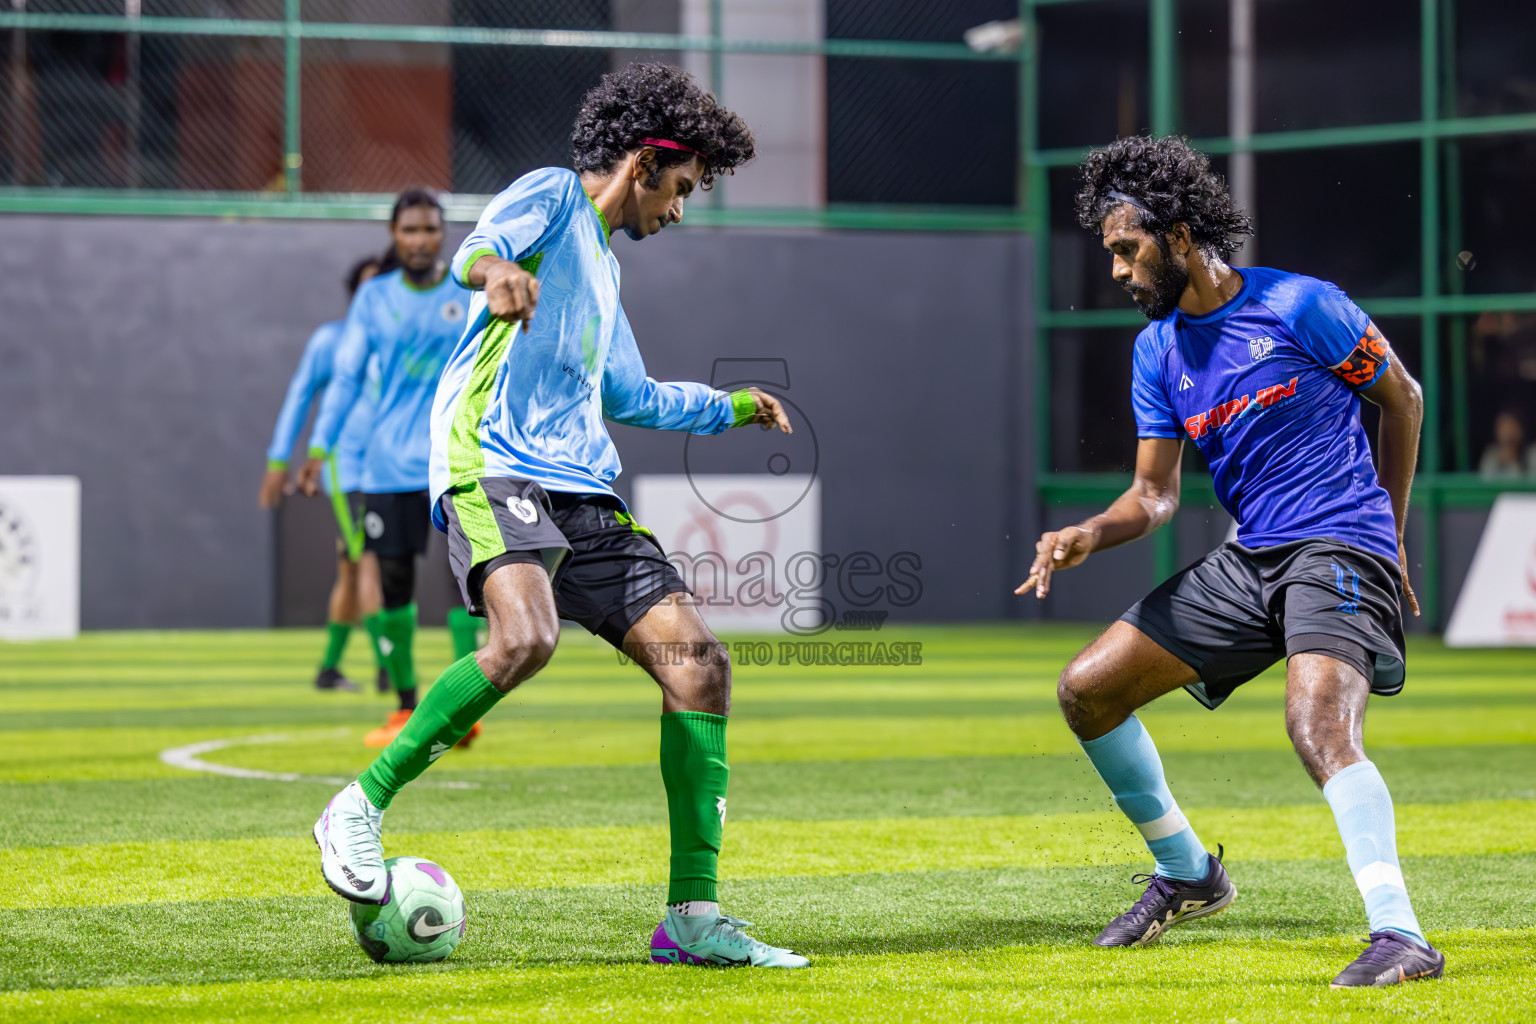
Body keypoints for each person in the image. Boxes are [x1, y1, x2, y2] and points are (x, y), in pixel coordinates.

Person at [311, 63, 807, 968]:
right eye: (685, 187)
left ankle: (690, 919)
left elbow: (633, 394)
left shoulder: (607, 273)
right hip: (492, 465)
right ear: (647, 160)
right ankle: (358, 805)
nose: (683, 209)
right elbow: (477, 251)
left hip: (584, 490)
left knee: (700, 669)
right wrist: (498, 271)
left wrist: (732, 406)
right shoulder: (550, 197)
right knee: (526, 638)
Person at [1019, 135, 1443, 988]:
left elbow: (1402, 399)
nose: (1117, 272)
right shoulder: (1156, 350)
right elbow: (1155, 495)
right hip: (1251, 560)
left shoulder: (1302, 305)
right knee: (1086, 690)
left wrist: (1388, 531)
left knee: (1318, 725)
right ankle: (1186, 872)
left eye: (1126, 250)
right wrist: (1092, 532)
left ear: (1178, 237)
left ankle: (1401, 936)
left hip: (1337, 542)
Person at [298, 189, 481, 746]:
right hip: (388, 467)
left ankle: (464, 711)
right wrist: (319, 447)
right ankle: (406, 708)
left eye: (429, 229)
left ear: (442, 233)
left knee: (465, 589)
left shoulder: (468, 287)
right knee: (395, 589)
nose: (420, 240)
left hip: (455, 461)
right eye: (410, 231)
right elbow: (348, 378)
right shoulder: (374, 299)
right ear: (394, 235)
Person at [260, 254, 387, 692]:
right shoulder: (331, 342)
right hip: (346, 473)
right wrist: (280, 458)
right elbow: (299, 397)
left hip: (387, 472)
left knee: (353, 570)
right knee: (368, 564)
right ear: (356, 293)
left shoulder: (398, 343)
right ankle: (391, 666)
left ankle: (329, 669)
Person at [1477, 409, 1534, 480]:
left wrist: (1513, 462)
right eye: (1503, 427)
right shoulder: (1491, 454)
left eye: (1512, 427)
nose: (1508, 433)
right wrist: (1500, 462)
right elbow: (1484, 480)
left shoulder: (1532, 453)